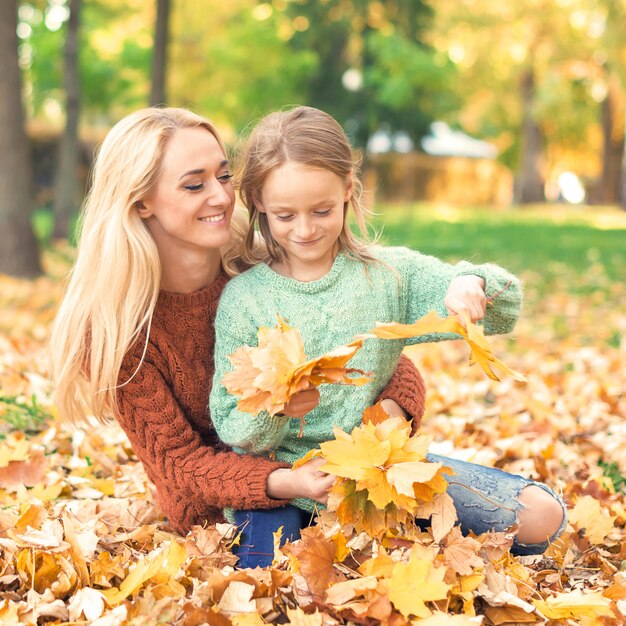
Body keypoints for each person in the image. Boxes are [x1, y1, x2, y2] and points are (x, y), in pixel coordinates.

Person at [49, 106, 430, 541]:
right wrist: (288, 481)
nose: (221, 197)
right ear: (140, 201)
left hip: (347, 473)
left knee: (509, 515)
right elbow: (179, 461)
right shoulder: (115, 333)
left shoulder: (260, 270)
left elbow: (377, 360)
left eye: (224, 177)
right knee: (290, 582)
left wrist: (380, 427)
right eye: (195, 184)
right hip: (224, 518)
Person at [210, 105, 566, 568]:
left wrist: (469, 285)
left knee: (541, 515)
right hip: (284, 483)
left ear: (347, 191)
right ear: (258, 203)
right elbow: (230, 420)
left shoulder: (387, 276)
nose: (305, 229)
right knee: (275, 578)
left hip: (378, 471)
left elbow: (496, 301)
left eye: (322, 210)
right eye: (285, 215)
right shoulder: (245, 298)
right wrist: (276, 410)